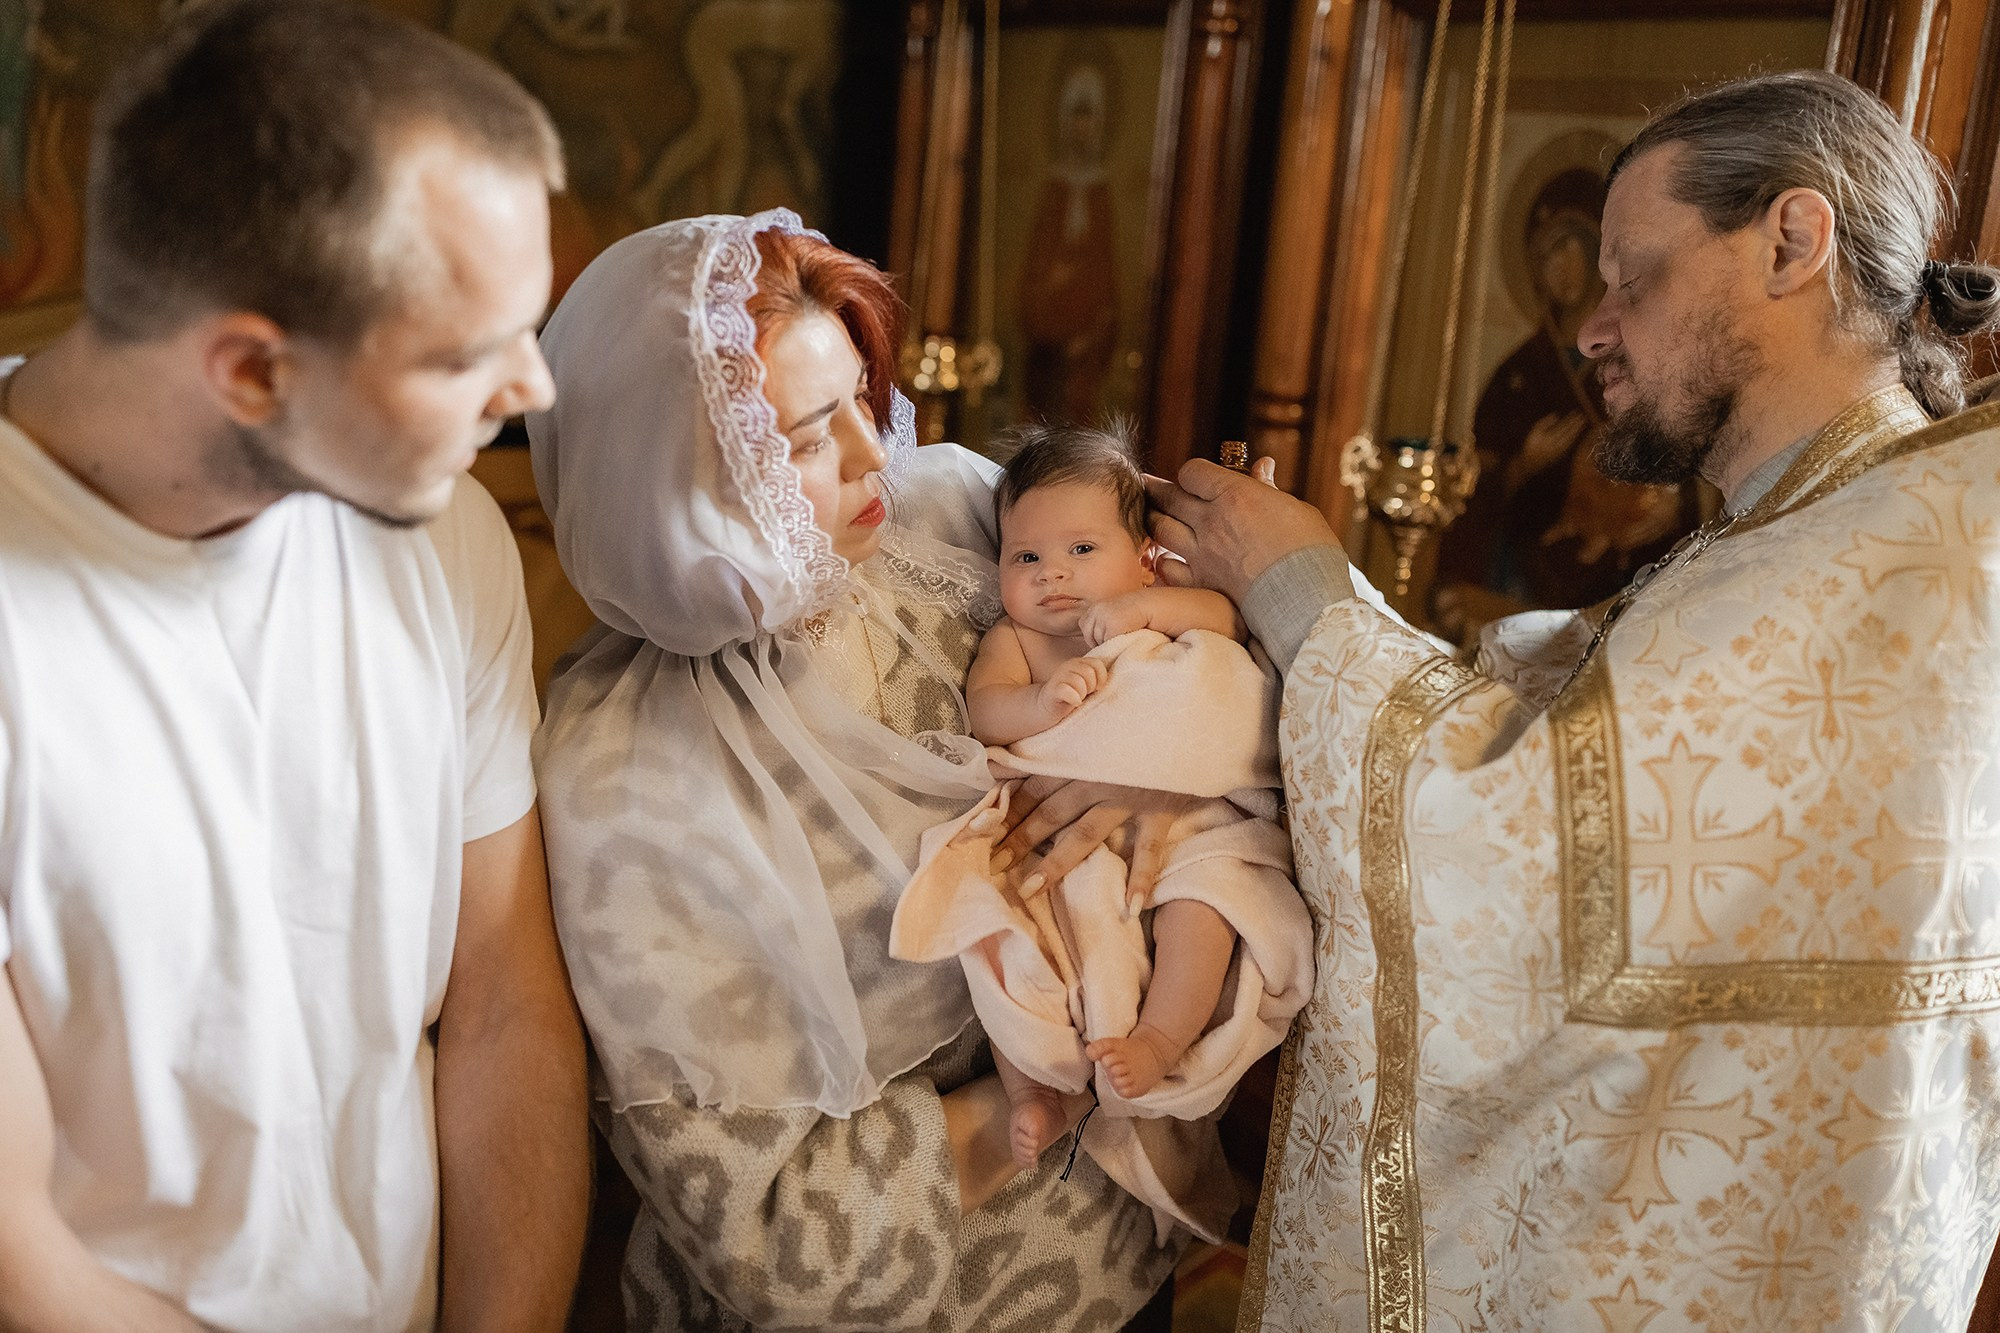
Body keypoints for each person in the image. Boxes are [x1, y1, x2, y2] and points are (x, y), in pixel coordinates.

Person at [1149, 70, 2000, 1329]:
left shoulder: (1902, 543)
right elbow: (1607, 740)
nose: (1593, 327)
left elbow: (1510, 844)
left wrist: (1296, 588)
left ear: (1790, 240)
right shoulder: (1852, 525)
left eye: (1633, 276)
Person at [0, 4, 590, 1329]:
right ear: (253, 372)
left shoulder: (446, 537)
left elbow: (502, 1008)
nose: (534, 388)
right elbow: (19, 1255)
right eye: (466, 352)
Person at [529, 211, 1184, 1331]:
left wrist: (1151, 759)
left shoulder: (948, 518)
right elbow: (777, 1237)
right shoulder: (621, 778)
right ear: (673, 477)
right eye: (802, 435)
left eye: (859, 400)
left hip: (1137, 1256)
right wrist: (1050, 1090)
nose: (871, 454)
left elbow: (1190, 617)